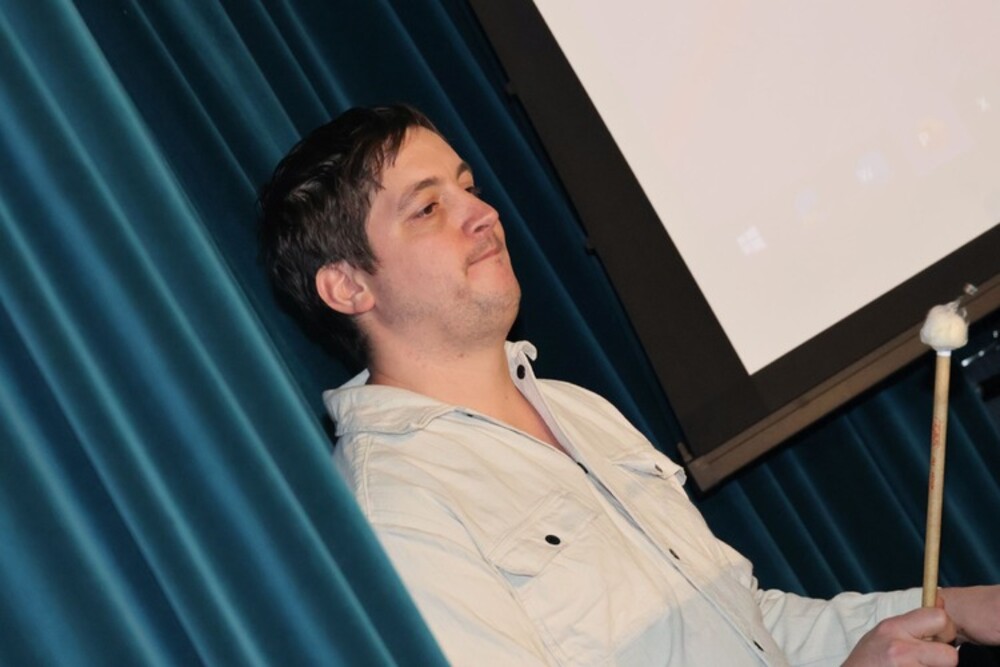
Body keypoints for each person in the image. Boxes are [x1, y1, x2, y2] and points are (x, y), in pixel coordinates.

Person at [258, 104, 999, 666]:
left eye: (468, 187)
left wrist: (954, 608)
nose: (482, 214)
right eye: (429, 208)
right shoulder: (394, 508)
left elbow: (749, 629)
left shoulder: (575, 407)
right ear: (347, 286)